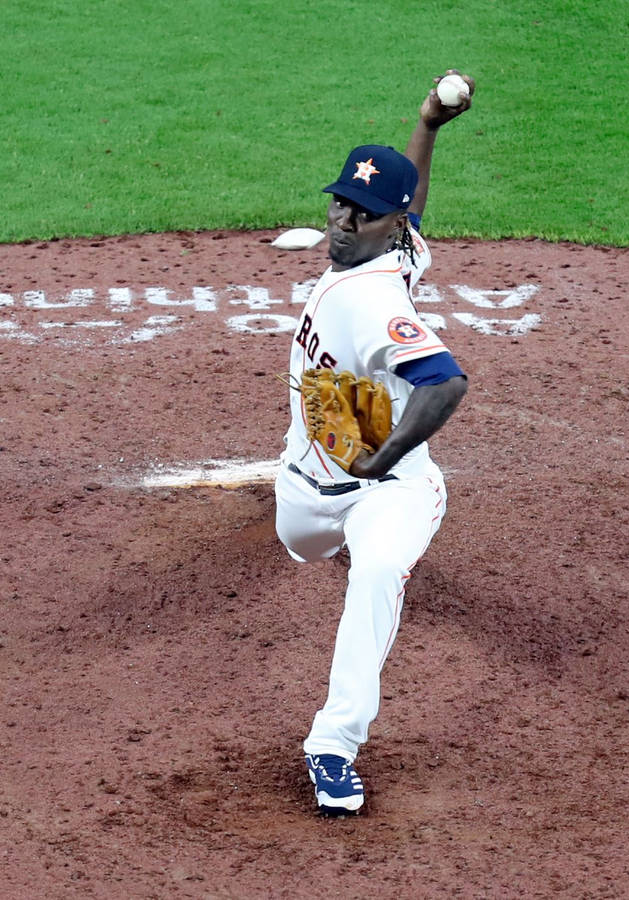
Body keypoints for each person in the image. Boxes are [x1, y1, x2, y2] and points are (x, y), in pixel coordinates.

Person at [274, 70, 474, 815]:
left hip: (389, 489)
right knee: (301, 545)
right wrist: (428, 125)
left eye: (360, 215)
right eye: (339, 204)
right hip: (303, 489)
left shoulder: (371, 298)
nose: (341, 221)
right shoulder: (396, 248)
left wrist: (382, 458)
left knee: (378, 570)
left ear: (384, 227)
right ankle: (329, 522)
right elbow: (409, 203)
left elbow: (445, 383)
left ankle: (334, 744)